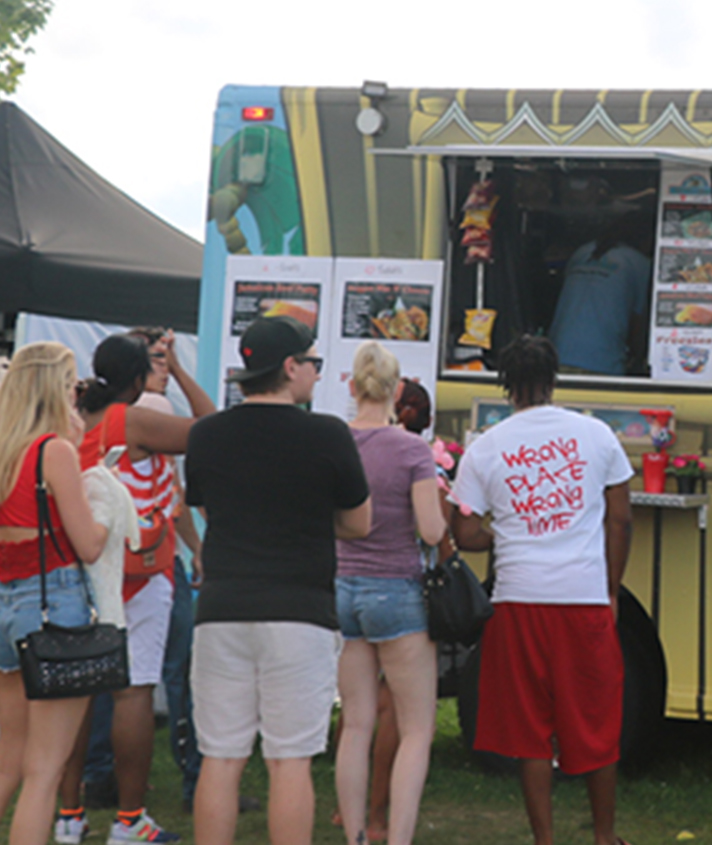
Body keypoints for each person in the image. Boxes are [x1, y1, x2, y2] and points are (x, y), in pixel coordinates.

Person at [183, 316, 372, 845]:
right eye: (313, 362)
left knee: (220, 757)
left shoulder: (206, 434)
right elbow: (359, 523)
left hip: (222, 610)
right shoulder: (327, 433)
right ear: (290, 367)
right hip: (299, 613)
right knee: (290, 761)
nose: (317, 372)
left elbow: (205, 507)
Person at [451, 335, 634, 845]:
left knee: (530, 730)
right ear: (554, 379)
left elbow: (464, 531)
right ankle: (604, 837)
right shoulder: (597, 435)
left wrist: (505, 534)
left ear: (506, 385)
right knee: (596, 720)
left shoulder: (486, 446)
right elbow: (621, 519)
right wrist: (611, 589)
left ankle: (544, 840)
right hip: (584, 598)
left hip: (517, 600)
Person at [62, 332, 214, 845]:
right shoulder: (132, 420)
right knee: (133, 690)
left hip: (80, 565)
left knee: (79, 693)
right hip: (139, 570)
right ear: (138, 377)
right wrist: (181, 371)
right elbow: (212, 428)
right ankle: (129, 821)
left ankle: (69, 815)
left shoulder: (73, 418)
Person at [334, 343, 445, 845]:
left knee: (355, 725)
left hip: (344, 588)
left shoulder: (336, 441)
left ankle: (355, 836)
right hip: (397, 590)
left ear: (351, 385)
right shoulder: (411, 450)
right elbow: (431, 530)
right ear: (397, 390)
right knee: (417, 729)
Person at [0, 343, 109, 845]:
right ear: (56, 388)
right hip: (53, 603)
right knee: (45, 770)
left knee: (6, 762)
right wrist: (108, 516)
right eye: (73, 385)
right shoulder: (54, 451)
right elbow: (89, 545)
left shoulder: (6, 450)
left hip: (6, 603)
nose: (77, 394)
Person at [547, 211, 651, 376]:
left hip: (556, 355)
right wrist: (638, 359)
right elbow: (637, 325)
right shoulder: (640, 263)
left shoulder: (582, 252)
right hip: (602, 361)